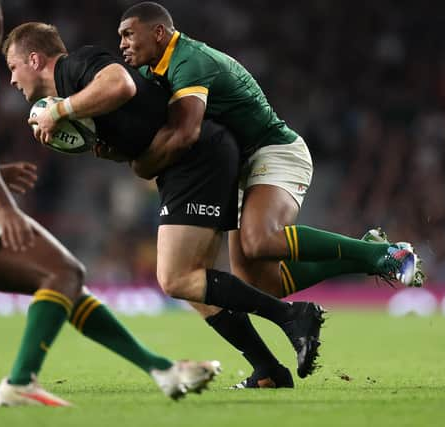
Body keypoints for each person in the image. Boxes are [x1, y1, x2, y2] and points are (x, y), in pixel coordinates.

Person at [0, 0, 222, 407]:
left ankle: (163, 371)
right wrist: (3, 205)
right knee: (64, 273)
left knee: (63, 286)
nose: (10, 78)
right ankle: (19, 382)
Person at [116, 2, 425, 387]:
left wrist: (140, 164)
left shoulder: (189, 61)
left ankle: (386, 254)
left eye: (129, 34)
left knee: (260, 239)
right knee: (262, 284)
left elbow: (186, 132)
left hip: (274, 151)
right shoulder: (154, 70)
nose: (123, 44)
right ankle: (366, 253)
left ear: (158, 33)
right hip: (235, 170)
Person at [7, 22, 326, 387]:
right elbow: (135, 136)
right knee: (196, 285)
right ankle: (268, 368)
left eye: (13, 67)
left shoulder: (78, 64)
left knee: (176, 277)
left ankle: (292, 316)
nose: (12, 80)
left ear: (34, 59)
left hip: (197, 155)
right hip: (188, 162)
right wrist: (104, 148)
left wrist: (60, 111)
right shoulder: (83, 103)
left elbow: (121, 84)